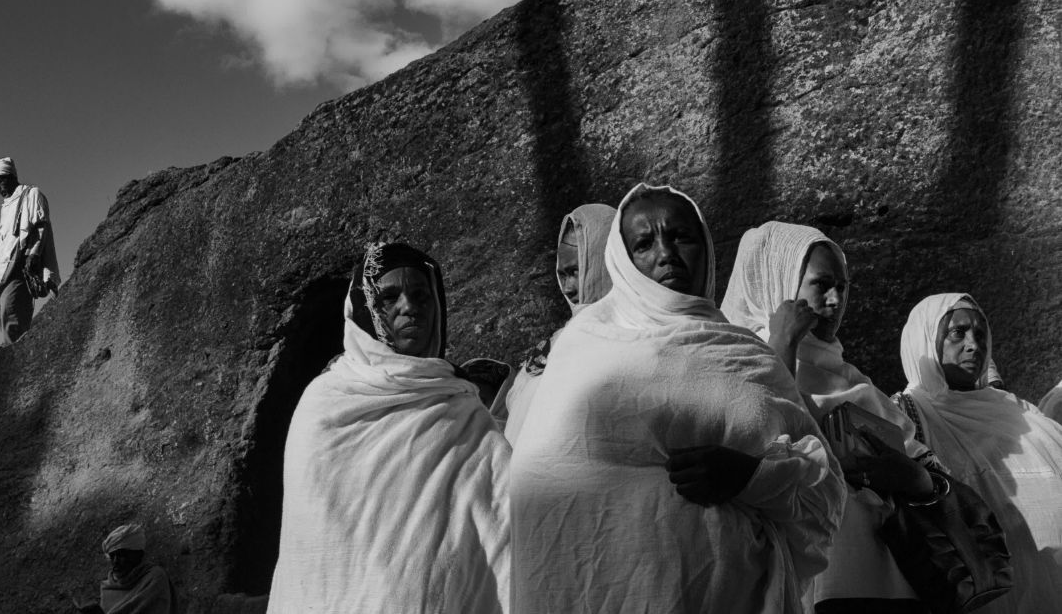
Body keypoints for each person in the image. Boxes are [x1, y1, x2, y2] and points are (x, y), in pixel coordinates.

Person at [510, 185, 844, 614]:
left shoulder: (748, 355)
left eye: (681, 237)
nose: (666, 254)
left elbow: (825, 496)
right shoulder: (582, 350)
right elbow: (545, 504)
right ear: (622, 261)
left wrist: (751, 477)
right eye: (644, 244)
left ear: (706, 247)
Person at [267, 241, 510, 614]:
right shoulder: (326, 406)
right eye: (389, 297)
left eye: (421, 295)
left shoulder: (461, 408)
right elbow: (314, 552)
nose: (409, 307)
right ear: (365, 309)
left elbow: (506, 518)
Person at [722, 222, 941, 612]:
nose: (835, 299)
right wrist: (783, 344)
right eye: (821, 285)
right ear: (780, 282)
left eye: (843, 286)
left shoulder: (853, 380)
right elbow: (762, 438)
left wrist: (907, 476)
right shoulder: (739, 364)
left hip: (889, 583)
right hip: (807, 586)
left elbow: (930, 473)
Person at [896, 294, 1062, 613]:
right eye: (957, 333)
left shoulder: (1021, 414)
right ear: (926, 339)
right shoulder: (907, 417)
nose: (974, 345)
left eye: (980, 333)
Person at [500, 202, 613, 440]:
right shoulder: (554, 345)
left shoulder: (629, 341)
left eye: (576, 272)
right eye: (563, 275)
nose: (568, 288)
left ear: (606, 263)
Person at [0, 156, 60, 345]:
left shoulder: (31, 194)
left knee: (11, 308)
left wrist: (34, 253)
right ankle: (20, 345)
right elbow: (6, 240)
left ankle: (17, 350)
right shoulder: (6, 207)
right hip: (4, 269)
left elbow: (40, 225)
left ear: (10, 176)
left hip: (21, 265)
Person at [70, 523, 177, 614]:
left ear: (139, 554)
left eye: (122, 555)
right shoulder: (108, 587)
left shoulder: (154, 579)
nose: (116, 561)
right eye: (112, 556)